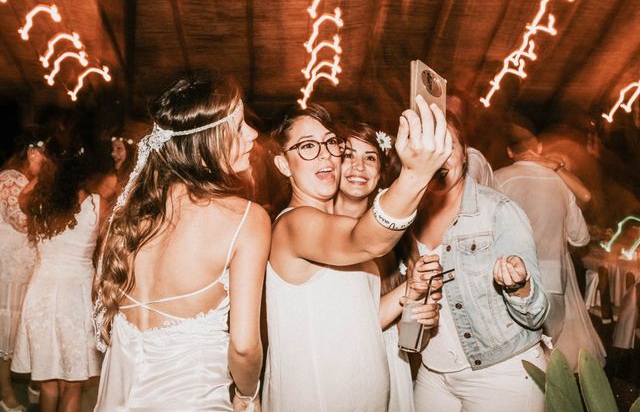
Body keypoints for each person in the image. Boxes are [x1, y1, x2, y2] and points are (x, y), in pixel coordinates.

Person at [93, 75, 270, 411]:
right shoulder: (247, 220)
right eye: (240, 126)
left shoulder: (130, 215)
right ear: (206, 140)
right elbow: (245, 346)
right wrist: (248, 393)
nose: (252, 134)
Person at [263, 96, 449, 412]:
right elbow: (368, 241)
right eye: (307, 147)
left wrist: (410, 288)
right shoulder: (293, 224)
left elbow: (362, 318)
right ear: (283, 164)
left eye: (330, 143)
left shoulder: (337, 224)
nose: (325, 156)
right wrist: (416, 173)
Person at [412, 114, 549, 412]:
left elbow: (536, 314)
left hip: (501, 371)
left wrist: (519, 287)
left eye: (449, 145)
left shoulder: (499, 212)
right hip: (434, 371)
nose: (440, 155)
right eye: (431, 145)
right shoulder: (408, 217)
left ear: (465, 155)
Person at [494, 120, 605, 371]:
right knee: (552, 362)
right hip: (553, 283)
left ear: (510, 152)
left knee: (519, 362)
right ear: (540, 147)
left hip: (509, 282)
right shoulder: (559, 184)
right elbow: (581, 238)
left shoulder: (497, 180)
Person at [11, 140, 104, 412]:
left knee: (48, 383)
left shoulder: (39, 204)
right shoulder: (97, 204)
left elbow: (21, 198)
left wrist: (42, 172)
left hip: (41, 295)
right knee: (71, 386)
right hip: (76, 298)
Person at [333, 122, 415, 412]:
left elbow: (412, 326)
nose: (358, 167)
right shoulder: (311, 228)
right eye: (348, 156)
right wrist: (411, 289)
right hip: (334, 362)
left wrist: (421, 319)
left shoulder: (400, 237)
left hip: (389, 360)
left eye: (370, 158)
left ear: (380, 173)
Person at [0, 130, 47, 412]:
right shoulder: (8, 179)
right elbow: (21, 220)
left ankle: (31, 382)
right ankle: (5, 392)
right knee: (5, 330)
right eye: (45, 155)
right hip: (7, 266)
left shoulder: (26, 181)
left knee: (22, 328)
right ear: (32, 152)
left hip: (26, 266)